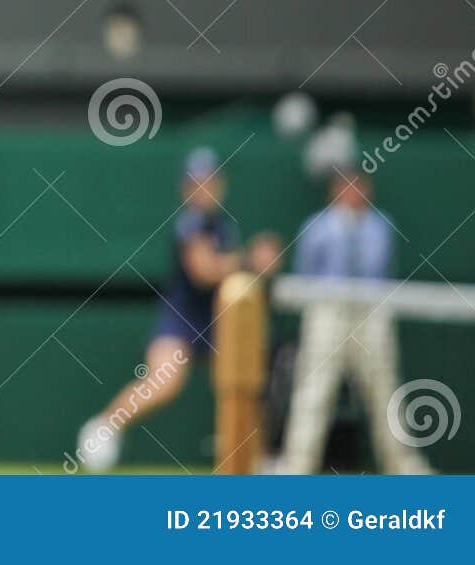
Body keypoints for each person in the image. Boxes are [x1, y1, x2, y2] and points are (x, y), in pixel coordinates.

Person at [75, 148, 280, 471]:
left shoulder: (224, 226)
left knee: (247, 382)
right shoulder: (190, 223)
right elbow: (203, 271)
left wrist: (263, 263)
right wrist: (251, 260)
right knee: (164, 382)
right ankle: (104, 427)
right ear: (186, 188)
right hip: (182, 320)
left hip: (220, 322)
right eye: (198, 182)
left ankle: (261, 459)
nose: (206, 188)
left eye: (211, 180)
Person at [278, 167, 424, 474]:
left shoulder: (381, 226)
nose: (354, 193)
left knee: (385, 391)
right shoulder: (316, 226)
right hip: (327, 313)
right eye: (346, 187)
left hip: (371, 312)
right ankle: (296, 468)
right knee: (314, 391)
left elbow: (382, 271)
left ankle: (404, 467)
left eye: (359, 186)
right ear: (334, 191)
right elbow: (306, 275)